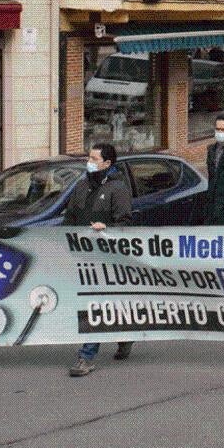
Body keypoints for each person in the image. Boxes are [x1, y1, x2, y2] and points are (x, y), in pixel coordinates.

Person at [65, 143, 135, 377]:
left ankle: (86, 356)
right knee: (103, 303)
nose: (90, 161)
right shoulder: (82, 185)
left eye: (94, 158)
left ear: (107, 163)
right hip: (82, 254)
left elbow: (124, 223)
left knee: (94, 303)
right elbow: (70, 217)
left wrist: (108, 228)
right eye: (89, 157)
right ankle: (125, 336)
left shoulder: (118, 188)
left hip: (106, 256)